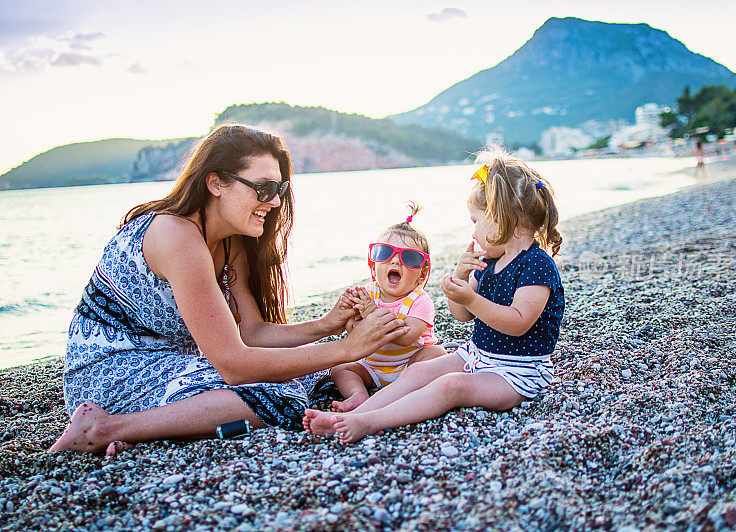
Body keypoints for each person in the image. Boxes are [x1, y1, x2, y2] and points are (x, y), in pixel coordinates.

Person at [49, 124, 408, 454]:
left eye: (280, 189)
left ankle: (155, 431)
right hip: (112, 372)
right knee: (280, 395)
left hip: (170, 360)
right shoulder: (176, 237)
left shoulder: (229, 241)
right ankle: (106, 428)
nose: (277, 202)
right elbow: (236, 365)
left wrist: (327, 326)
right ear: (216, 182)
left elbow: (250, 334)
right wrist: (348, 348)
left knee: (312, 373)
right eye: (265, 189)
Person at [304, 148, 564, 443]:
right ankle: (353, 414)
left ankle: (368, 422)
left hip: (517, 373)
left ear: (501, 218)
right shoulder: (491, 262)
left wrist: (471, 299)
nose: (473, 232)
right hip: (478, 356)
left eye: (476, 221)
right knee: (419, 373)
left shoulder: (537, 265)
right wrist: (461, 281)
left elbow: (518, 322)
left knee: (450, 387)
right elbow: (462, 314)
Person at [319, 204, 445, 414]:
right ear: (373, 264)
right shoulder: (369, 293)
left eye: (410, 258)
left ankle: (405, 389)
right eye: (385, 252)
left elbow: (406, 337)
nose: (395, 260)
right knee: (341, 369)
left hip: (409, 364)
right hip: (370, 366)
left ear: (421, 275)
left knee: (436, 354)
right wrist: (351, 315)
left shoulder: (420, 301)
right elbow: (353, 332)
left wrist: (370, 314)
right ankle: (358, 396)